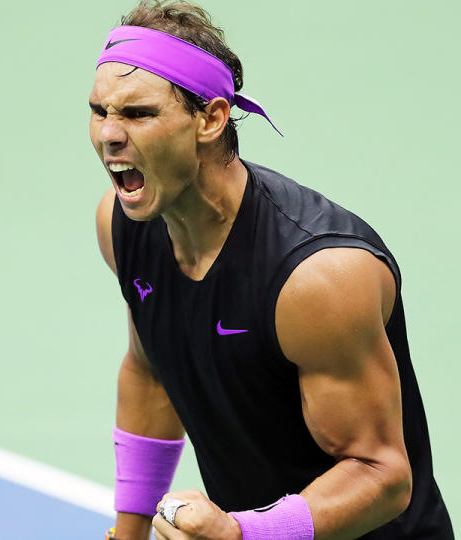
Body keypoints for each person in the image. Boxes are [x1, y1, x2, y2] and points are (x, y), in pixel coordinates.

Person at [91, 2, 452, 539]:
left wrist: (241, 534)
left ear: (210, 120)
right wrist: (129, 531)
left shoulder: (317, 277)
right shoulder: (124, 224)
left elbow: (381, 475)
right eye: (99, 110)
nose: (108, 135)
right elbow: (150, 374)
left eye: (137, 114)